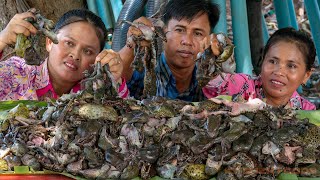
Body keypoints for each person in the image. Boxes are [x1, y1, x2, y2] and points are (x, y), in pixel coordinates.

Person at [0, 9, 129, 100]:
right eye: (69, 43)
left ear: (97, 59)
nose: (75, 55)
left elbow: (127, 121)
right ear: (50, 42)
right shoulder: (15, 73)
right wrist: (1, 40)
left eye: (88, 51)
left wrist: (114, 81)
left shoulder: (99, 91)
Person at [113, 0, 220, 101]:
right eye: (179, 30)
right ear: (163, 32)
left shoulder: (211, 79)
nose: (187, 41)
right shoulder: (143, 70)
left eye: (197, 33)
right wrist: (131, 45)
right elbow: (114, 76)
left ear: (209, 38)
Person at [203, 27, 316, 110]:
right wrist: (211, 57)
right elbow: (213, 82)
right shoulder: (242, 86)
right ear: (263, 60)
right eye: (272, 61)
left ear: (306, 75)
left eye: (291, 66)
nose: (279, 72)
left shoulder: (306, 111)